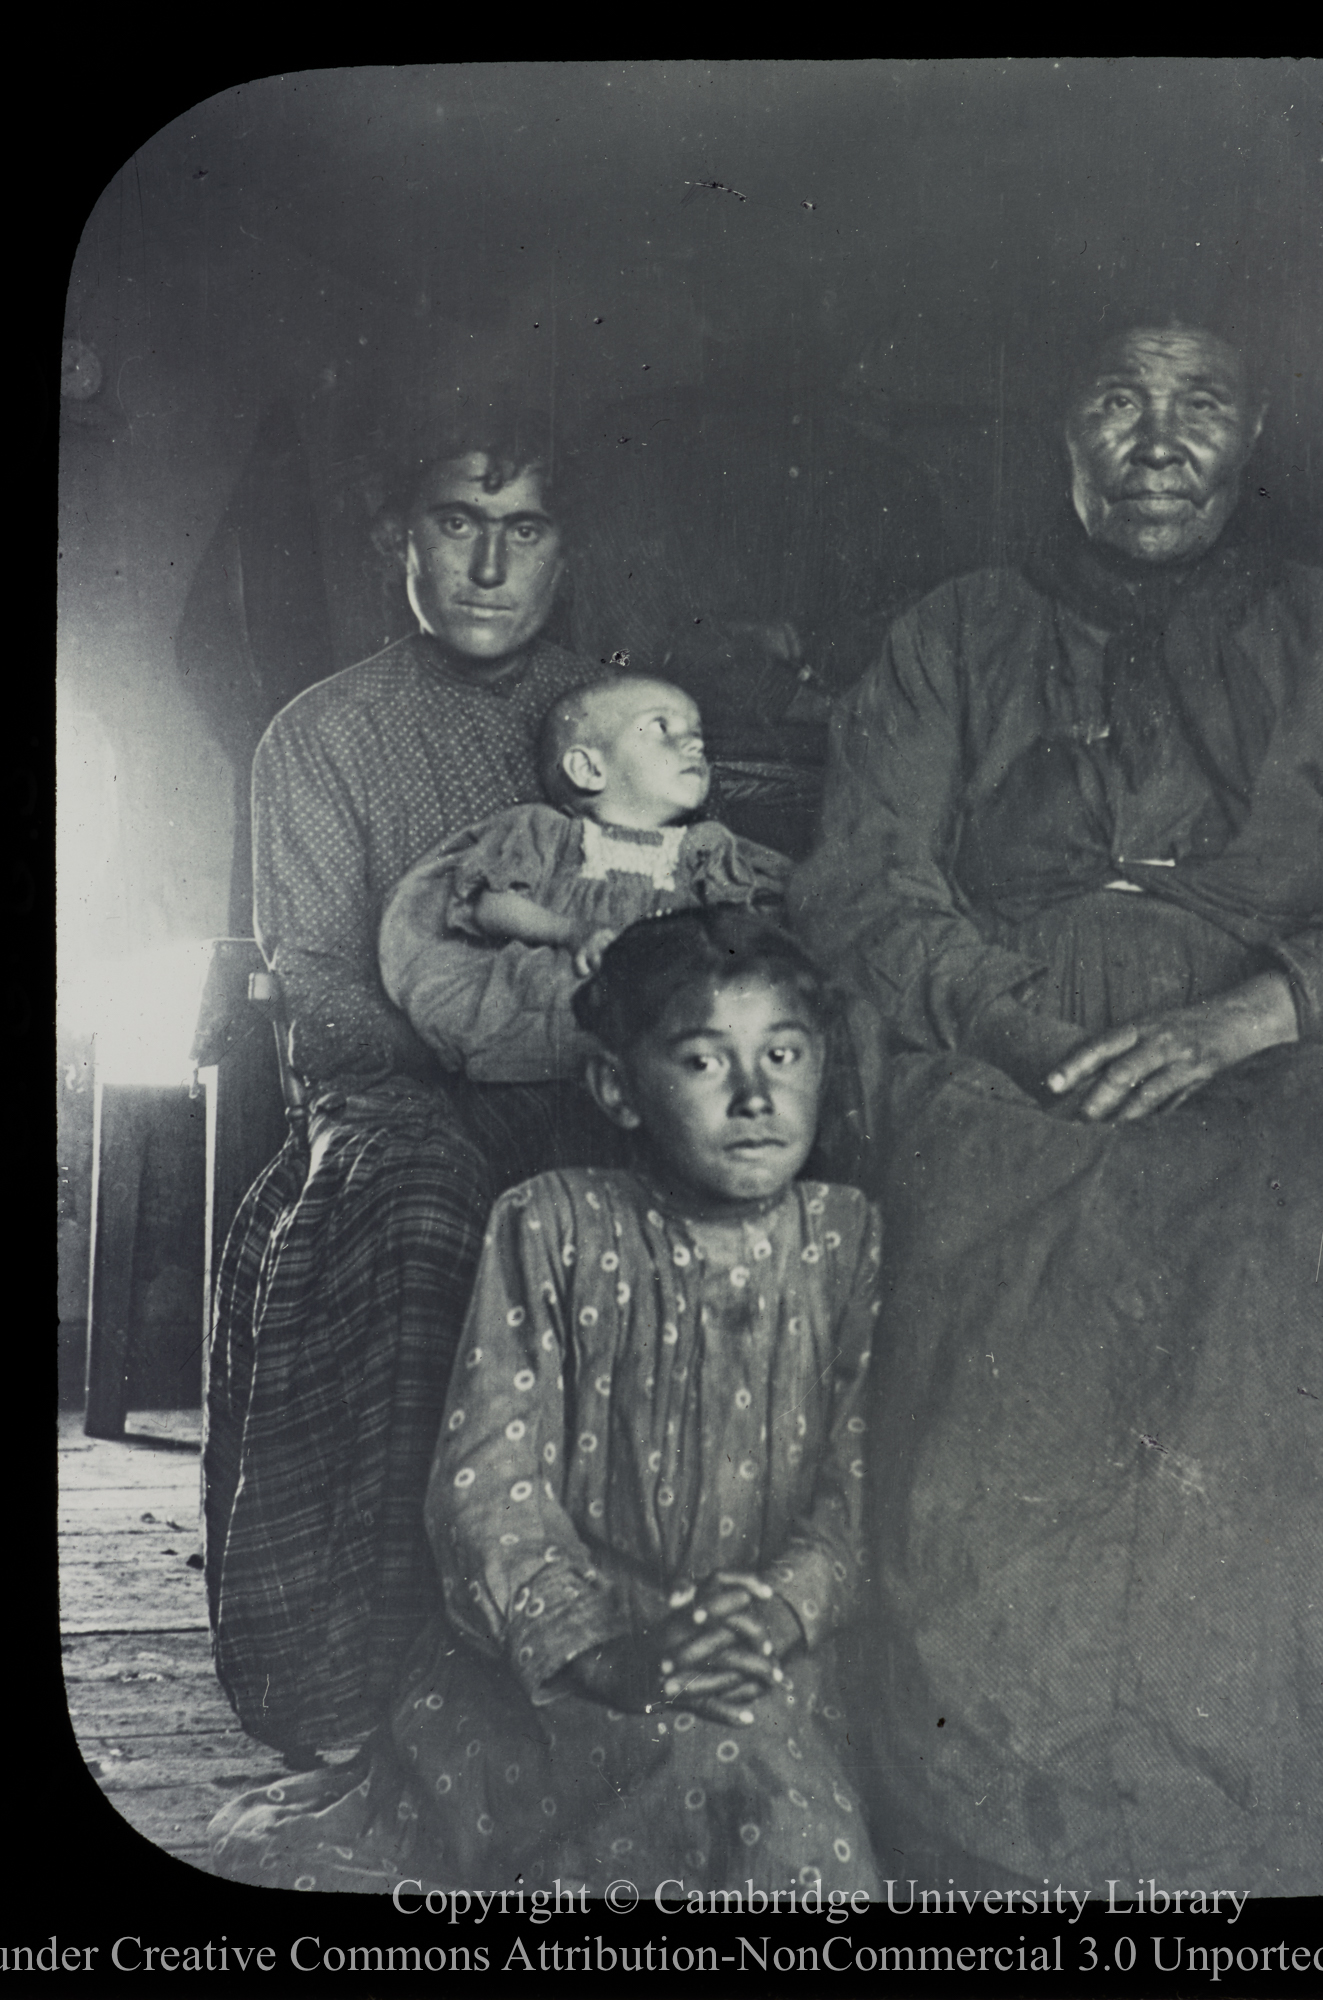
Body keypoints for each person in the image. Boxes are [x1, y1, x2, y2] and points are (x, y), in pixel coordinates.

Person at [791, 322, 1323, 1897]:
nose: (1157, 438)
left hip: (1285, 1048)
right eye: (1118, 402)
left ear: (1247, 434)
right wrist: (1022, 1025)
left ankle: (1286, 1750)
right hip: (1003, 1046)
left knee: (1310, 1205)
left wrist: (1247, 1015)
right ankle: (1008, 1767)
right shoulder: (952, 636)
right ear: (1060, 433)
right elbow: (863, 885)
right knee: (987, 1214)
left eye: (1196, 403)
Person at [205, 909, 883, 1900]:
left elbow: (852, 1484)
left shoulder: (844, 1238)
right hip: (559, 1654)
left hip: (758, 1648)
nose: (754, 1095)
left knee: (775, 1810)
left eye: (784, 1052)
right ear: (616, 1086)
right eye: (703, 1060)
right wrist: (595, 1650)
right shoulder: (550, 1222)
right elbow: (488, 1482)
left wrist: (775, 1610)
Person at [203, 401, 613, 1758]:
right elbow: (318, 990)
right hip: (393, 1099)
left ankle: (597, 1654)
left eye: (524, 529)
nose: (489, 567)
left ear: (563, 552)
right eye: (456, 523)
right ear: (401, 539)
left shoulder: (619, 719)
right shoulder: (321, 738)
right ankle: (361, 1677)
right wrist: (485, 1042)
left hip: (591, 1076)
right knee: (424, 1203)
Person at [377, 674, 791, 1083]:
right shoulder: (546, 833)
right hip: (562, 993)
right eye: (662, 727)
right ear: (588, 768)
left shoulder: (708, 849)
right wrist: (572, 931)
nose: (695, 744)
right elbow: (488, 906)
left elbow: (739, 929)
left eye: (696, 732)